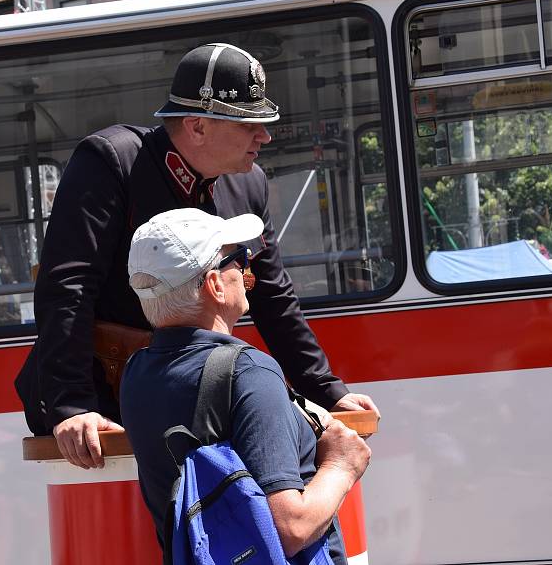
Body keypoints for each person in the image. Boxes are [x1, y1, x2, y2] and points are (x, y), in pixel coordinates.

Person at [15, 42, 379, 468]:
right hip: (98, 404)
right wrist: (72, 406)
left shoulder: (250, 184)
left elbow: (273, 297)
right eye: (248, 125)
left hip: (186, 397)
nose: (264, 136)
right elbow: (67, 286)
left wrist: (327, 390)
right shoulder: (112, 161)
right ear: (197, 126)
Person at [120, 208, 371, 563]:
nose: (246, 269)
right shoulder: (249, 371)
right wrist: (341, 466)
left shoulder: (137, 374)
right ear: (215, 285)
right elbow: (289, 529)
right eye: (238, 259)